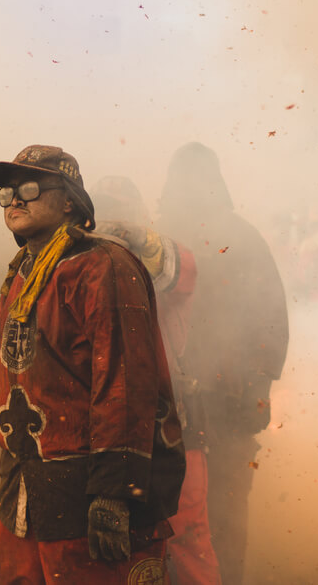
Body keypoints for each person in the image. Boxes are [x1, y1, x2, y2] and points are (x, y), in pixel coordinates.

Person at [0, 145, 186, 585]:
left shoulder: (104, 267)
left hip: (90, 490)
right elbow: (1, 343)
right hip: (26, 488)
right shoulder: (26, 271)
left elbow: (127, 384)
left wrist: (114, 495)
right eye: (8, 191)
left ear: (70, 201)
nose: (16, 199)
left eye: (31, 187)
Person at [156, 143, 289, 585]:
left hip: (228, 397)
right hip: (175, 401)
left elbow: (269, 317)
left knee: (225, 506)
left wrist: (257, 387)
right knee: (182, 511)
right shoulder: (160, 238)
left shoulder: (241, 237)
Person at [92, 175, 222, 585]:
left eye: (124, 210)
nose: (116, 218)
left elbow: (179, 266)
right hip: (107, 429)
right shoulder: (85, 268)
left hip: (171, 429)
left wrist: (134, 237)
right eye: (106, 209)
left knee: (186, 538)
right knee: (117, 550)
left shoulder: (164, 257)